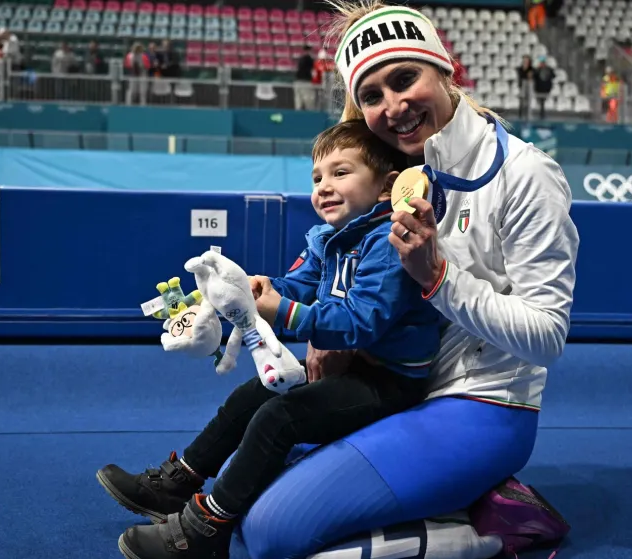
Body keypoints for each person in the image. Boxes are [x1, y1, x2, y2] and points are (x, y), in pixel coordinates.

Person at [221, 2, 578, 558]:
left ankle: (491, 530)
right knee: (243, 495)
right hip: (394, 389)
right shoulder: (393, 165)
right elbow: (345, 279)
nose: (395, 106)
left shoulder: (526, 175)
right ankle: (455, 494)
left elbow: (548, 335)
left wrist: (438, 278)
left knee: (271, 536)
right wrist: (310, 323)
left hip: (481, 407)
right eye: (372, 96)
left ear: (444, 68)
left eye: (405, 78)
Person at [101, 119, 444, 559]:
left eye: (342, 173)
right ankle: (179, 481)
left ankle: (206, 527)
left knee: (280, 417)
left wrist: (280, 309)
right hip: (353, 367)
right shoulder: (329, 238)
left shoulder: (388, 244)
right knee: (253, 393)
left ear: (386, 186)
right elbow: (298, 287)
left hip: (390, 383)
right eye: (317, 177)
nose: (324, 186)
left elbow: (361, 322)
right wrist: (257, 289)